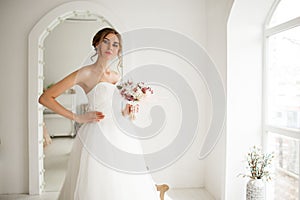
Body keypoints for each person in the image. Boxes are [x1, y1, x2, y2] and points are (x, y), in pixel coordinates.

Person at [39, 27, 168, 200]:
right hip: (96, 135)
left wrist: (128, 111)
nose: (110, 47)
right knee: (97, 184)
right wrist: (77, 117)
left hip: (121, 134)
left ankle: (155, 191)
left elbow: (119, 110)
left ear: (118, 51)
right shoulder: (84, 73)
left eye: (115, 44)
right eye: (106, 41)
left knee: (124, 183)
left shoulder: (116, 76)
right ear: (97, 44)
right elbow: (46, 98)